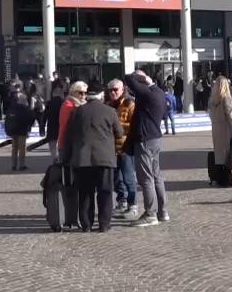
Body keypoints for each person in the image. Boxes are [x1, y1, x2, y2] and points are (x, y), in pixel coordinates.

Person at [62, 81, 124, 233]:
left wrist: (66, 157)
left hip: (82, 159)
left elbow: (68, 136)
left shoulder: (77, 112)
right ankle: (104, 224)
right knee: (105, 192)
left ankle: (86, 224)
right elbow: (119, 133)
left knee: (85, 193)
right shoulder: (110, 111)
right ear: (101, 95)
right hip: (104, 158)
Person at [124, 71, 169, 227]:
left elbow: (128, 79)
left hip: (145, 139)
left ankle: (150, 214)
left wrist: (140, 77)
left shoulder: (147, 93)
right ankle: (163, 211)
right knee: (157, 176)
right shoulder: (160, 92)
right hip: (156, 137)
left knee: (146, 178)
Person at [107, 79, 138, 219]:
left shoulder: (129, 104)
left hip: (125, 146)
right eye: (110, 90)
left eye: (115, 90)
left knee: (128, 177)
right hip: (112, 148)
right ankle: (122, 201)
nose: (113, 93)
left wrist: (117, 126)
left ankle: (133, 204)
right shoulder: (108, 105)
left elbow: (134, 125)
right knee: (116, 178)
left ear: (122, 90)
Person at [208, 76, 232, 188]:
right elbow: (230, 115)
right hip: (225, 128)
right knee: (227, 154)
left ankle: (219, 178)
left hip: (216, 128)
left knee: (219, 154)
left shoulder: (212, 99)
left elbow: (210, 114)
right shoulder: (226, 98)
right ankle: (227, 179)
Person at [4, 93, 35, 171]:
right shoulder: (26, 109)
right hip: (22, 131)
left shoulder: (12, 108)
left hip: (13, 130)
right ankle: (22, 165)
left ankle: (13, 165)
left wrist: (8, 130)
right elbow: (31, 119)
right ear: (24, 100)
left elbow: (7, 119)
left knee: (14, 148)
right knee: (22, 148)